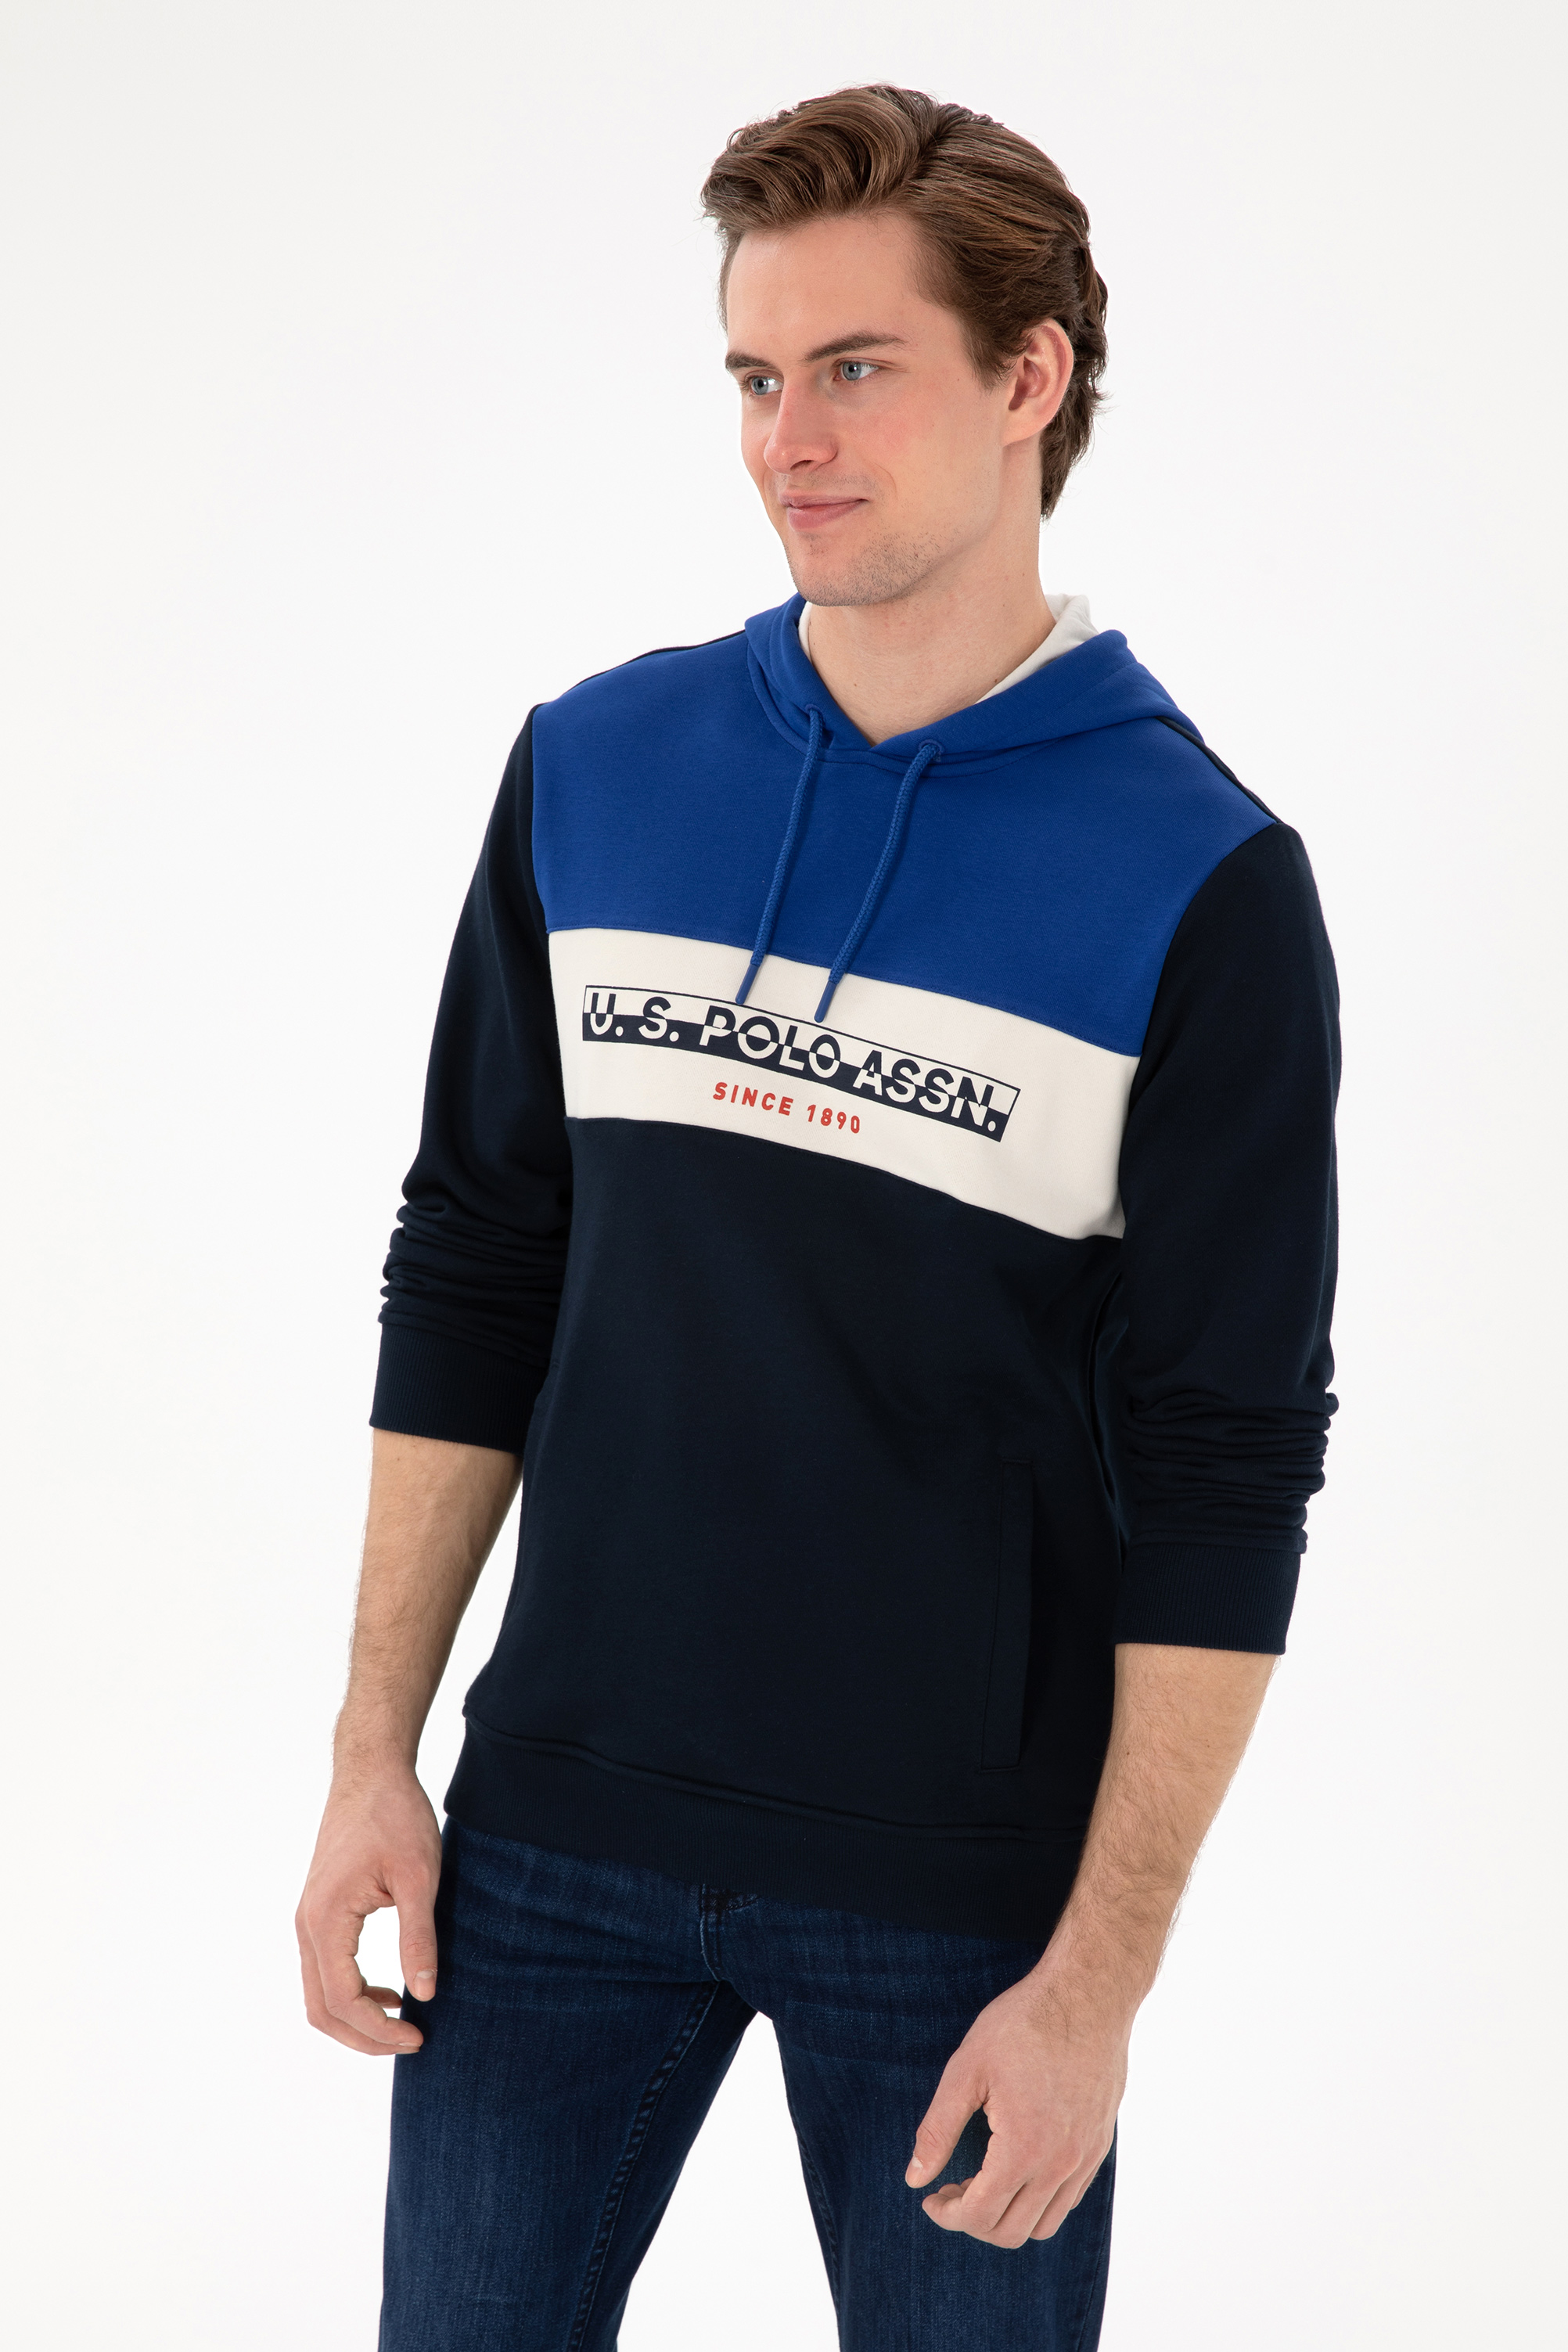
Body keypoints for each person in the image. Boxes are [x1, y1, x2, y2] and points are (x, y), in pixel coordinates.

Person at [296, 84, 1339, 2352]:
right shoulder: (597, 766)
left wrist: (1095, 1984)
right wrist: (376, 1751)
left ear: (1030, 375)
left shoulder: (1203, 882)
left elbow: (1229, 1464)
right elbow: (473, 1264)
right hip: (546, 1839)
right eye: (757, 377)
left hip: (955, 1906)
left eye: (856, 367)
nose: (791, 439)